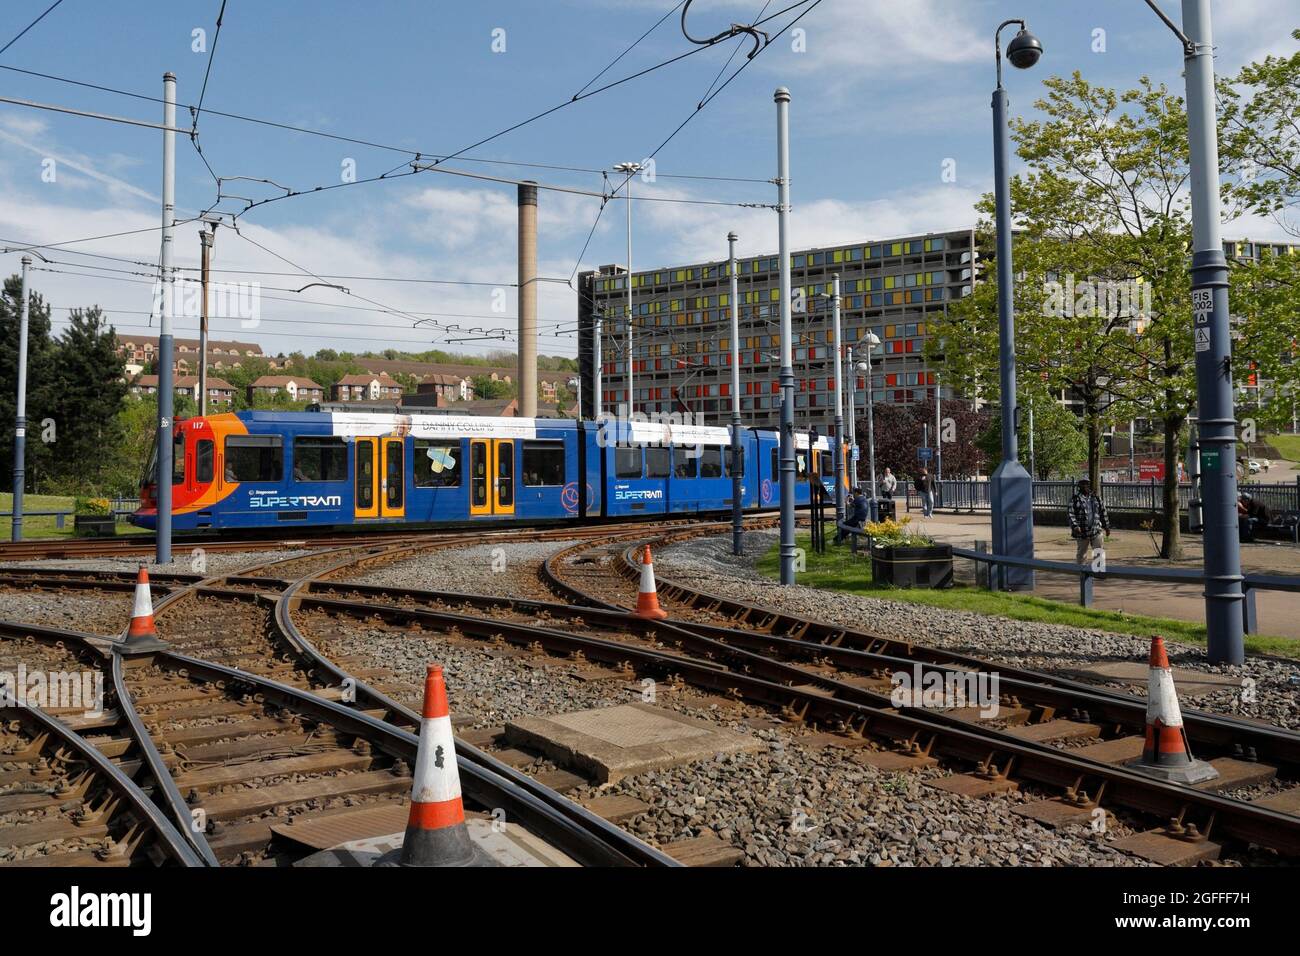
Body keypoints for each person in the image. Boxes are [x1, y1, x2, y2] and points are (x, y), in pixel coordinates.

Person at [1069, 478, 1110, 565]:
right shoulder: (1075, 498)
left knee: (1098, 550)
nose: (1086, 486)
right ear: (1079, 486)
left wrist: (1106, 526)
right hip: (1082, 531)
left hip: (1096, 529)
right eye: (1083, 484)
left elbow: (1103, 512)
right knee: (1082, 553)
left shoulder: (1095, 498)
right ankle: (1082, 572)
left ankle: (1098, 571)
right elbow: (1071, 513)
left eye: (1087, 484)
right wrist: (1075, 526)